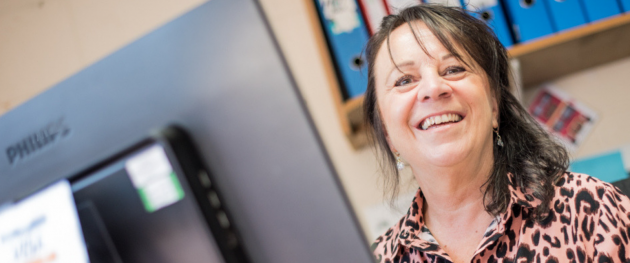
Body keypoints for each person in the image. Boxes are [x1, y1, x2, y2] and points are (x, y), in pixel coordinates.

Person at [364, 4, 630, 263]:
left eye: (454, 69)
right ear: (386, 131)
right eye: (404, 80)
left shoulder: (592, 209)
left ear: (493, 105)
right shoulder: (379, 258)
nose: (433, 88)